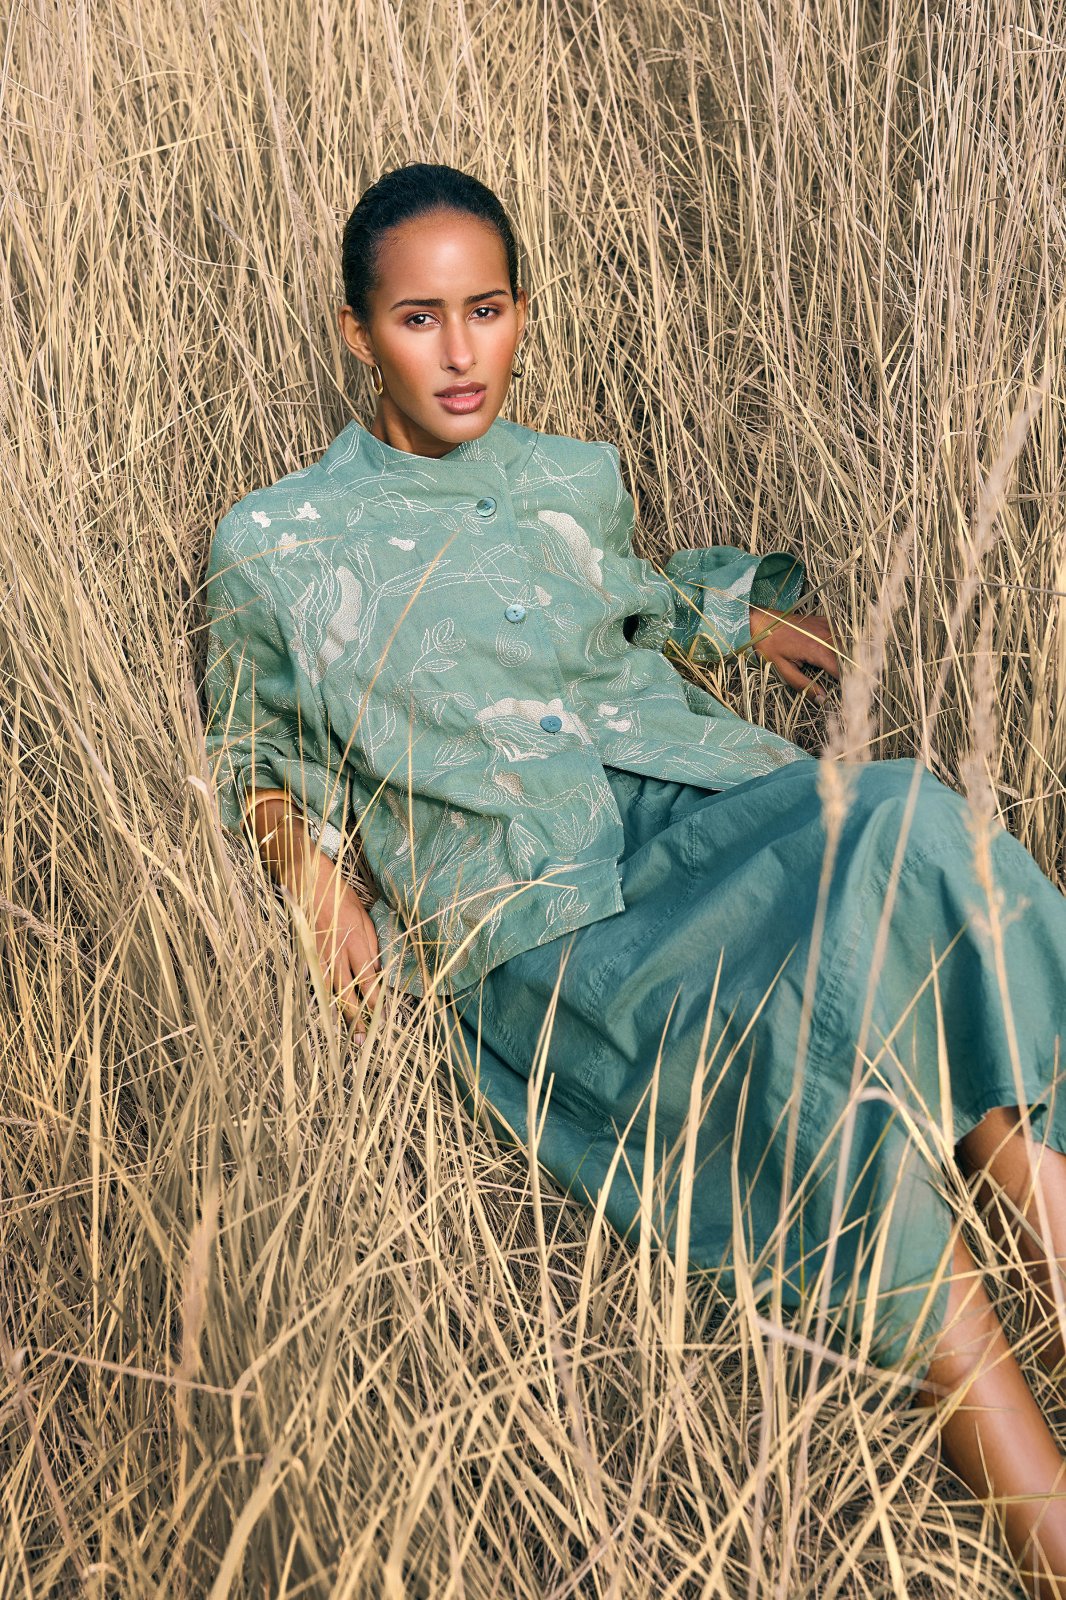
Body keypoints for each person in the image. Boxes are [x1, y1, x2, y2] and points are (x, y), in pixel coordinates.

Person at [202, 162, 1066, 1592]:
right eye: (419, 319)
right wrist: (313, 879)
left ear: (518, 311)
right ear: (358, 333)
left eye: (488, 309)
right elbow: (254, 751)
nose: (461, 351)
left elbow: (627, 601)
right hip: (545, 903)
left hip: (703, 799)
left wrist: (739, 619)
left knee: (918, 832)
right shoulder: (274, 543)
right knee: (794, 1054)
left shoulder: (570, 474)